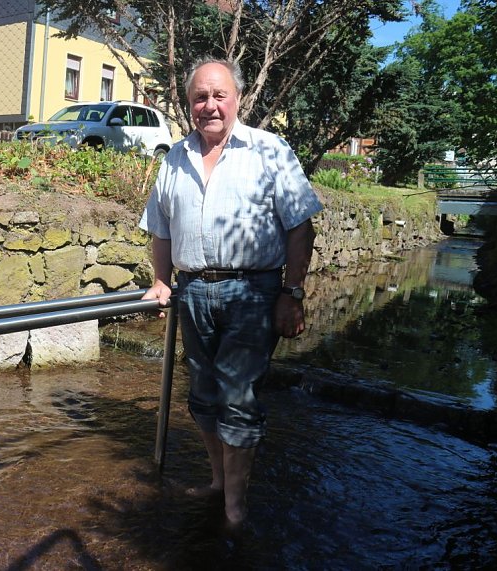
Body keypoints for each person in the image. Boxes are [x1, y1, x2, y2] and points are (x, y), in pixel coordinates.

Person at [139, 58, 323, 529]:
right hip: (194, 291)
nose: (210, 105)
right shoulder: (174, 158)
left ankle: (235, 507)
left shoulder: (269, 149)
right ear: (189, 103)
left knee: (238, 396)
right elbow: (160, 230)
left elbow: (300, 226)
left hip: (254, 292)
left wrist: (292, 293)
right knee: (202, 394)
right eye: (201, 97)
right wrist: (161, 280)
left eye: (219, 95)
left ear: (237, 98)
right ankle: (219, 482)